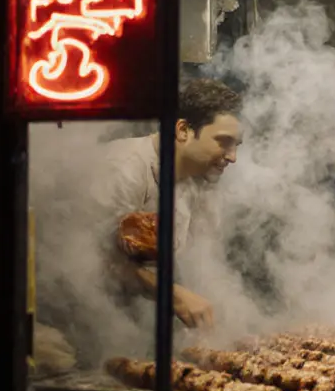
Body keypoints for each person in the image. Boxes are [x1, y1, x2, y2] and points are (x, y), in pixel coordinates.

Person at [92, 78, 244, 330]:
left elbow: (203, 259)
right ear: (183, 130)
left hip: (141, 319)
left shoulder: (201, 180)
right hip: (87, 316)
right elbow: (91, 257)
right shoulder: (125, 168)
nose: (233, 157)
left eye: (236, 146)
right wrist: (173, 294)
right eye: (224, 142)